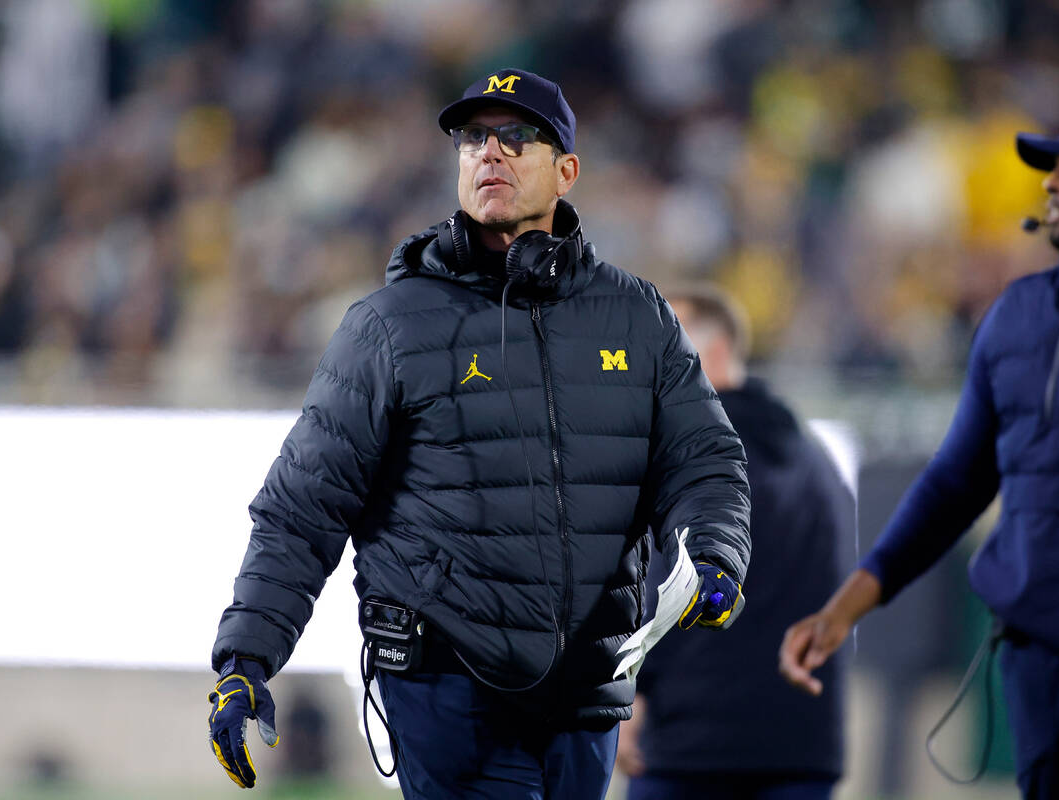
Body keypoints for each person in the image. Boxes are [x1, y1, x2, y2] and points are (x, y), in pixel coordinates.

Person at [205, 67, 752, 799]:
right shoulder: (390, 327)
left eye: (515, 136)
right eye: (473, 139)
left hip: (588, 697)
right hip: (449, 697)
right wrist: (245, 660)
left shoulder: (637, 317)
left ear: (567, 171)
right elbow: (303, 507)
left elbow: (705, 461)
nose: (489, 152)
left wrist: (714, 553)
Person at [780, 100, 1059, 800]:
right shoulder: (1016, 314)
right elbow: (955, 483)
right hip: (1038, 652)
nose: (1052, 183)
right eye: (1051, 167)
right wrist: (848, 605)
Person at [616, 284, 853, 800]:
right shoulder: (814, 460)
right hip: (803, 744)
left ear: (714, 352)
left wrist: (629, 690)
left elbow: (667, 587)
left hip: (689, 752)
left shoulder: (692, 457)